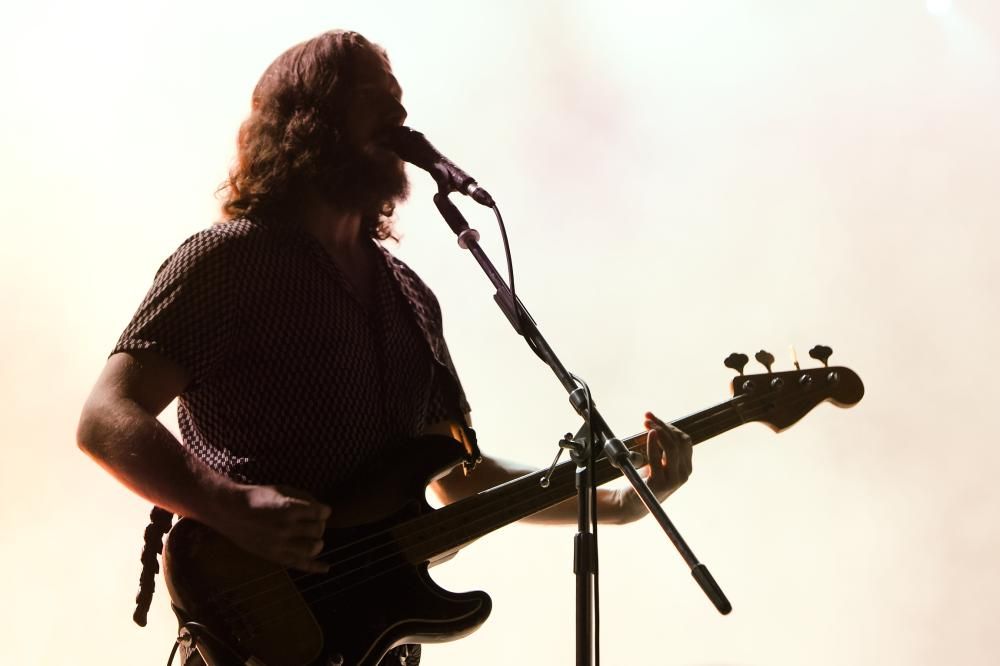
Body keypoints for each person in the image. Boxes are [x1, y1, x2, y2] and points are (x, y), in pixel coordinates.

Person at [76, 29, 693, 665]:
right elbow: (105, 416)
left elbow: (462, 478)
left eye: (399, 97)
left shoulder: (412, 297)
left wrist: (618, 501)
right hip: (256, 637)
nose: (400, 112)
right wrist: (229, 505)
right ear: (308, 119)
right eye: (374, 96)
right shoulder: (230, 260)